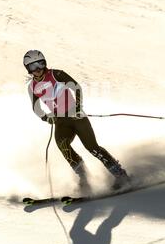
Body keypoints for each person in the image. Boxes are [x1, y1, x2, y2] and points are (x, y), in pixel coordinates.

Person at [24, 50, 131, 193]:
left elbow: (76, 87)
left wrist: (79, 107)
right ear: (28, 69)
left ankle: (120, 175)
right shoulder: (32, 87)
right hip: (61, 122)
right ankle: (84, 179)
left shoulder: (56, 75)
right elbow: (36, 107)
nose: (37, 69)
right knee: (63, 146)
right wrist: (46, 117)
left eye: (40, 64)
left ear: (45, 63)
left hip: (77, 117)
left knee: (92, 147)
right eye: (32, 66)